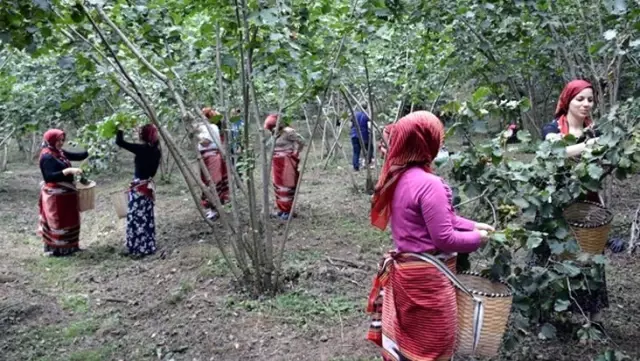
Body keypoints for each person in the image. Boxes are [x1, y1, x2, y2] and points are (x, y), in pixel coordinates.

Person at [366, 111, 493, 361]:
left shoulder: (401, 177)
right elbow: (444, 238)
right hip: (429, 282)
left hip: (407, 274)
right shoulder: (429, 183)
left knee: (412, 341)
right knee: (436, 345)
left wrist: (474, 224)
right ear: (428, 142)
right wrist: (479, 239)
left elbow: (442, 218)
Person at [539, 79, 616, 322]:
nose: (586, 104)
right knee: (559, 255)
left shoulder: (596, 131)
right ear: (568, 101)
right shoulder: (552, 129)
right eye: (580, 99)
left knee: (589, 256)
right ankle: (555, 311)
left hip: (589, 202)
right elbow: (556, 151)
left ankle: (591, 317)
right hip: (559, 202)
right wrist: (589, 145)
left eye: (590, 100)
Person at [38, 129, 89, 257]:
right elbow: (49, 177)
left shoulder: (59, 152)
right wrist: (68, 171)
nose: (61, 143)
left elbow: (78, 156)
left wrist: (92, 149)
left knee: (70, 220)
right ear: (51, 140)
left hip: (67, 195)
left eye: (62, 140)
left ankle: (71, 247)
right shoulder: (47, 156)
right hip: (55, 196)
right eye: (58, 140)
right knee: (58, 222)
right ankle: (58, 249)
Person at [116, 125, 162, 257]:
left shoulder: (141, 149)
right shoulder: (157, 151)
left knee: (136, 217)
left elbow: (120, 142)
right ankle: (147, 245)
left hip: (138, 187)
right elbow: (152, 172)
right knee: (146, 217)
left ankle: (137, 247)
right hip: (147, 186)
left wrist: (120, 127)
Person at [264, 114, 305, 220]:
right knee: (278, 186)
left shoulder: (288, 132)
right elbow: (269, 145)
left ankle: (288, 210)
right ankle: (282, 209)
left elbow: (302, 141)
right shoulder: (274, 134)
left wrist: (295, 153)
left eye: (273, 127)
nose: (272, 130)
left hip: (287, 163)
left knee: (287, 186)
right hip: (277, 163)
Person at [197, 107, 229, 220]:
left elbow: (205, 142)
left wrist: (196, 135)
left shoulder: (211, 127)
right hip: (207, 158)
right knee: (208, 182)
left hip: (211, 158)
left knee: (213, 183)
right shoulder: (208, 127)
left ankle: (215, 209)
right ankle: (213, 208)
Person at [350, 104, 373, 171]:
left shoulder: (355, 115)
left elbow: (351, 125)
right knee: (369, 148)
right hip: (363, 136)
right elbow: (369, 127)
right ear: (366, 108)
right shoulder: (366, 115)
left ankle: (356, 166)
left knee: (356, 152)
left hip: (354, 135)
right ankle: (368, 162)